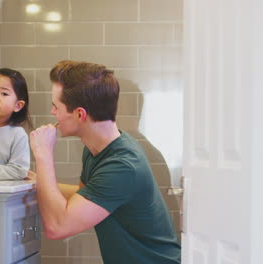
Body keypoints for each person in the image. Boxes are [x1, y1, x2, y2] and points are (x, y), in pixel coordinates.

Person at [29, 60, 181, 263]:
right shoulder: (97, 149)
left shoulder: (123, 165)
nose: (52, 113)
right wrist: (39, 181)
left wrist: (43, 155)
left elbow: (57, 227)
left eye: (56, 106)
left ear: (80, 114)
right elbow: (85, 196)